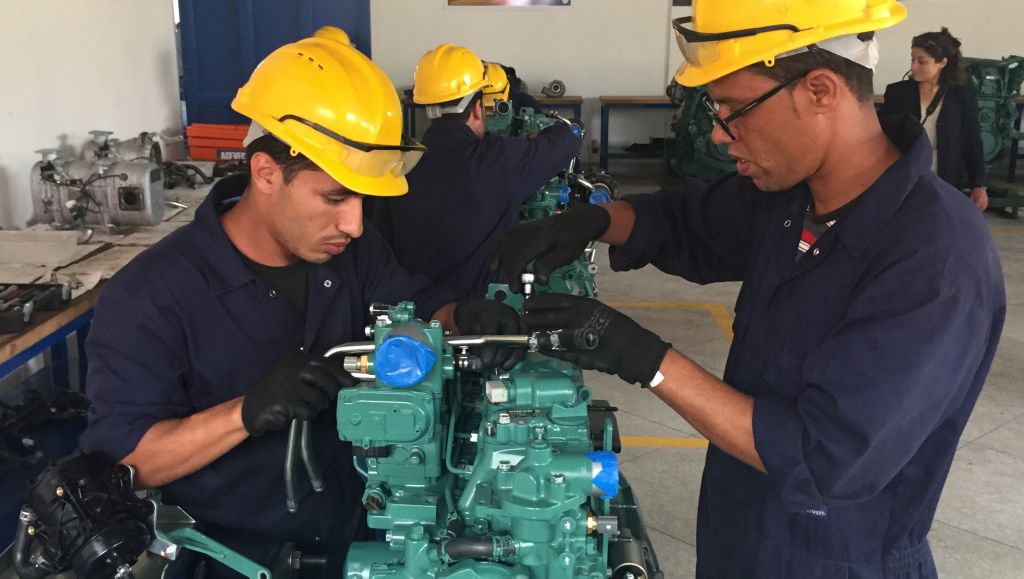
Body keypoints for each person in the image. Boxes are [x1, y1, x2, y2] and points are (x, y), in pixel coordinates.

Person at [493, 1, 1006, 577]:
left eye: (733, 108)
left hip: (837, 557)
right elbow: (690, 223)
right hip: (741, 528)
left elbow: (824, 454)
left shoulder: (934, 260)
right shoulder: (794, 196)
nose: (717, 131)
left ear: (819, 90)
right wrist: (591, 220)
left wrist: (643, 356)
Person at [79, 29, 522, 577]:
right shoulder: (149, 297)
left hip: (361, 528)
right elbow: (125, 462)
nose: (355, 224)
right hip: (234, 558)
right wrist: (244, 412)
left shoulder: (351, 254)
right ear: (266, 172)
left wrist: (460, 316)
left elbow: (416, 302)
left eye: (363, 199)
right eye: (335, 197)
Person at [368, 43, 581, 300]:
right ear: (478, 108)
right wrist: (546, 132)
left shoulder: (397, 166)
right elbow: (567, 141)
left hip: (413, 308)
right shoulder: (499, 159)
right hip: (481, 315)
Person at [879, 27, 988, 210]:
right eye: (912, 60)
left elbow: (972, 141)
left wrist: (978, 184)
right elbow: (882, 136)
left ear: (942, 63)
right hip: (904, 178)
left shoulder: (961, 96)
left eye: (922, 62)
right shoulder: (897, 92)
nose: (913, 67)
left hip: (945, 178)